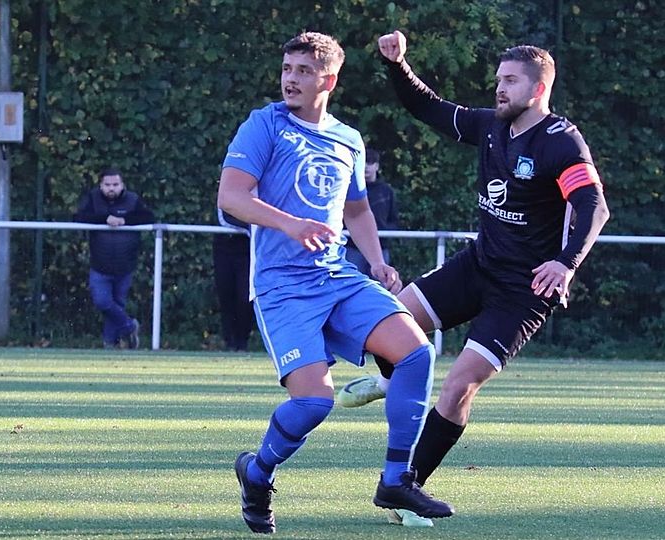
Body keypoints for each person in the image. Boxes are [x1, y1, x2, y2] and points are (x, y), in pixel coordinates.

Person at [337, 30, 611, 523]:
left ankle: (402, 484)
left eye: (510, 80)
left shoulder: (559, 141)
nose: (499, 89)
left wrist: (565, 263)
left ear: (539, 89)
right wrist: (398, 64)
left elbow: (593, 205)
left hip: (524, 291)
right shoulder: (491, 126)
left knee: (459, 386)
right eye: (498, 80)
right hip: (478, 265)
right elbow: (430, 108)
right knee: (390, 326)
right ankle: (394, 378)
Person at [218, 31, 453, 534]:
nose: (291, 79)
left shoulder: (347, 138)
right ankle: (257, 475)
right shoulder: (264, 125)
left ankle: (396, 479)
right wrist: (291, 224)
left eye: (303, 71)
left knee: (416, 353)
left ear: (329, 78)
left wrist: (377, 260)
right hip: (282, 284)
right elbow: (232, 197)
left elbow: (357, 209)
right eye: (287, 69)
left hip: (336, 274)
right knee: (312, 403)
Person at [73, 167, 155, 349]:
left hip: (125, 265)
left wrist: (125, 221)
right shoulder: (93, 199)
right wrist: (105, 219)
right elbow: (80, 217)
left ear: (122, 184)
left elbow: (148, 217)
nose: (112, 188)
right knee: (102, 302)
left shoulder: (133, 200)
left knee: (117, 304)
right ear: (101, 185)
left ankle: (110, 344)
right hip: (99, 265)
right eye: (107, 184)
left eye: (115, 184)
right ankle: (129, 326)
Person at [344, 149, 399, 278]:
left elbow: (394, 220)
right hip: (353, 247)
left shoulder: (386, 191)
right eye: (363, 162)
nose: (366, 167)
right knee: (352, 284)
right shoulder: (349, 189)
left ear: (377, 166)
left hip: (380, 247)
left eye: (370, 162)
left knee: (381, 285)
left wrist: (381, 232)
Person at [213, 207, 253, 351]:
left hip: (246, 249)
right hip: (223, 248)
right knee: (225, 296)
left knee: (245, 298)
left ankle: (243, 342)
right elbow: (223, 217)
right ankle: (230, 342)